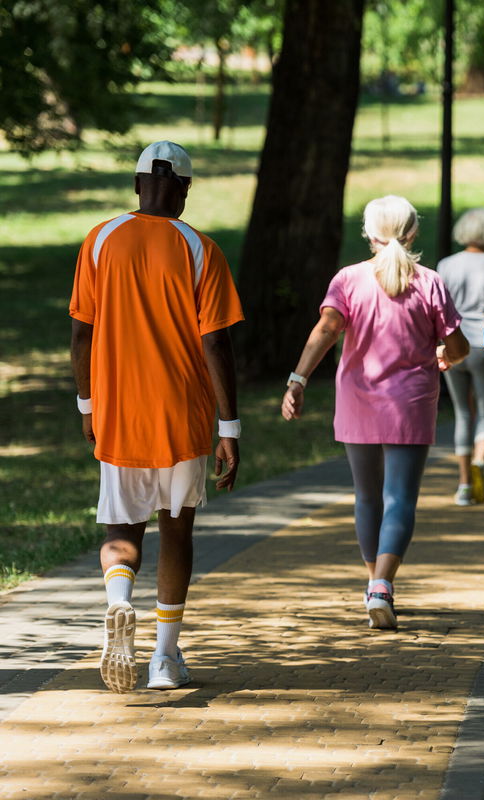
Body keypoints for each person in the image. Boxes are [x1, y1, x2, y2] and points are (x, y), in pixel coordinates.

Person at [69, 141, 244, 692]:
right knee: (176, 529)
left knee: (122, 527)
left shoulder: (99, 240)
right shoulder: (200, 248)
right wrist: (230, 427)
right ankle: (165, 660)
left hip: (119, 413)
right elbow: (216, 343)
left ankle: (119, 601)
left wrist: (87, 404)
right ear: (185, 190)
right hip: (183, 417)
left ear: (137, 183)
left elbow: (81, 332)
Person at [281, 195, 468, 630]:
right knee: (400, 498)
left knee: (367, 496)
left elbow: (327, 328)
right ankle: (381, 586)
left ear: (369, 234)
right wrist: (447, 355)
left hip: (358, 401)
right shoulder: (429, 282)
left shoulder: (348, 280)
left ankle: (374, 585)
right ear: (413, 232)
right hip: (411, 404)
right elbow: (458, 346)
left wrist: (298, 378)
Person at [436, 208, 484, 506]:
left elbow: (438, 306)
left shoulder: (446, 265)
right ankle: (481, 460)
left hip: (454, 343)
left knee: (462, 413)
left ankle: (464, 483)